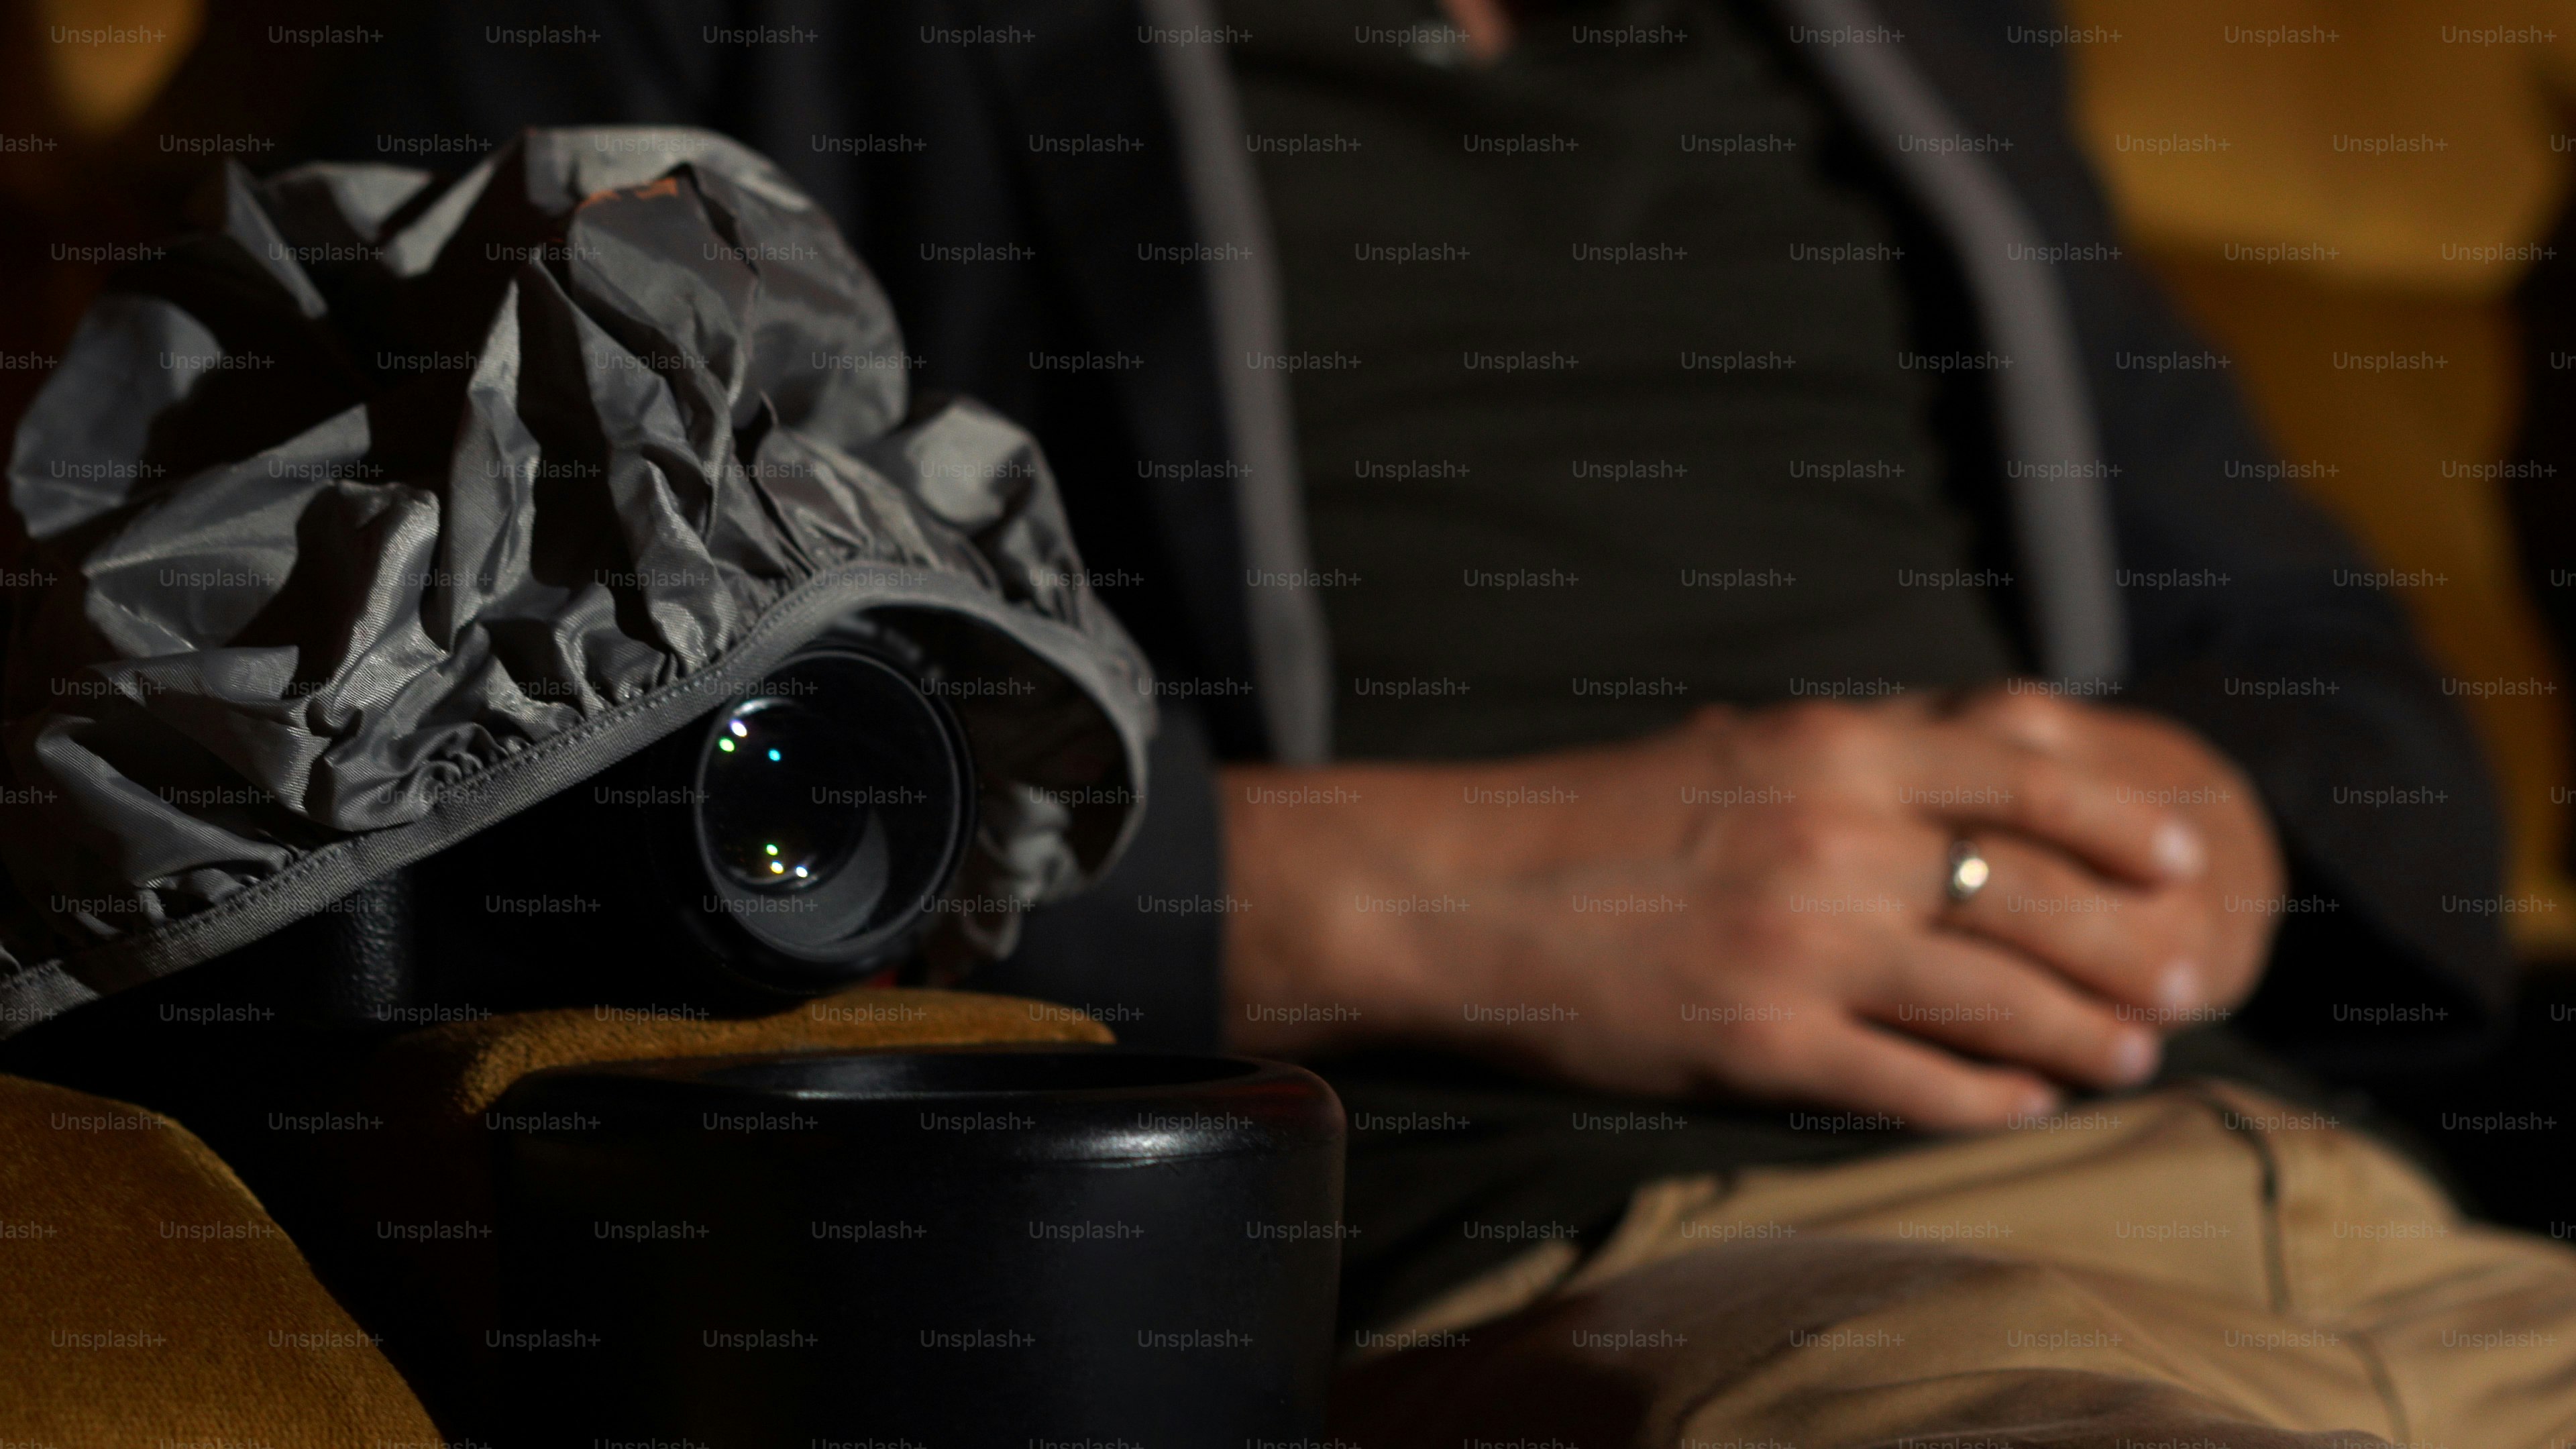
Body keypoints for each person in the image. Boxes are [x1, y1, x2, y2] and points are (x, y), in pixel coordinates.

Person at [250, 0, 2557, 1443]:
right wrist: (1366, 897)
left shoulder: (1907, 47)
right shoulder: (754, 42)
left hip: (2395, 1232)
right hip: (1677, 1272)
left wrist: (2211, 825)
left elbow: (2371, 719)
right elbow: (317, 738)